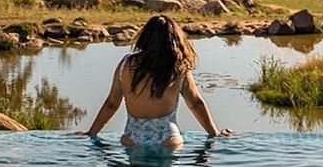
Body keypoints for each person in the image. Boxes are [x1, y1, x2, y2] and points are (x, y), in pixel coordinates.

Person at [78, 14, 232, 148]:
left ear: (144, 38)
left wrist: (92, 133)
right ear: (175, 39)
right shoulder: (178, 67)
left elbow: (112, 104)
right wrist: (215, 133)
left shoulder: (126, 65)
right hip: (168, 139)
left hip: (132, 139)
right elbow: (195, 103)